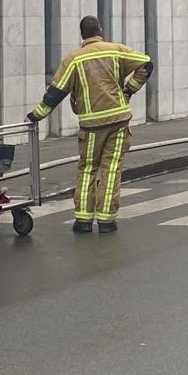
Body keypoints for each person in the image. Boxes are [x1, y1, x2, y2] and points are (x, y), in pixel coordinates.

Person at [28, 16, 152, 233]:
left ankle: (83, 220)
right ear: (100, 31)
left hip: (91, 124)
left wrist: (35, 116)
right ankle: (107, 221)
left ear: (82, 36)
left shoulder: (74, 59)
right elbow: (146, 64)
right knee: (111, 170)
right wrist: (129, 90)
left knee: (87, 169)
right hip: (119, 120)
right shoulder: (116, 50)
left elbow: (56, 92)